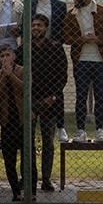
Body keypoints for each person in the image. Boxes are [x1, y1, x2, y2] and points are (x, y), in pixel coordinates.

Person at [63, 0, 103, 142]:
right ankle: (81, 130)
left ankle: (99, 130)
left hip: (101, 60)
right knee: (81, 96)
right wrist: (82, 39)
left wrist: (99, 39)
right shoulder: (71, 14)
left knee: (100, 96)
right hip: (81, 61)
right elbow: (66, 37)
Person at [27, 13, 68, 190]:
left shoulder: (56, 48)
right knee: (28, 142)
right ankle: (29, 177)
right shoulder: (24, 49)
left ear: (46, 28)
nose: (36, 28)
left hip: (50, 102)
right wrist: (28, 101)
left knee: (48, 143)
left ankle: (46, 179)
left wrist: (53, 96)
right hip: (30, 102)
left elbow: (62, 75)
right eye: (33, 25)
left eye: (39, 25)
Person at [0, 45, 26, 198]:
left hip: (23, 120)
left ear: (14, 56)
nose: (5, 58)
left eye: (8, 55)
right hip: (7, 122)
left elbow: (25, 89)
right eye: (2, 56)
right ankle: (16, 193)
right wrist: (4, 77)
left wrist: (11, 75)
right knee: (9, 160)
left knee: (27, 158)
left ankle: (30, 193)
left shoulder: (23, 71)